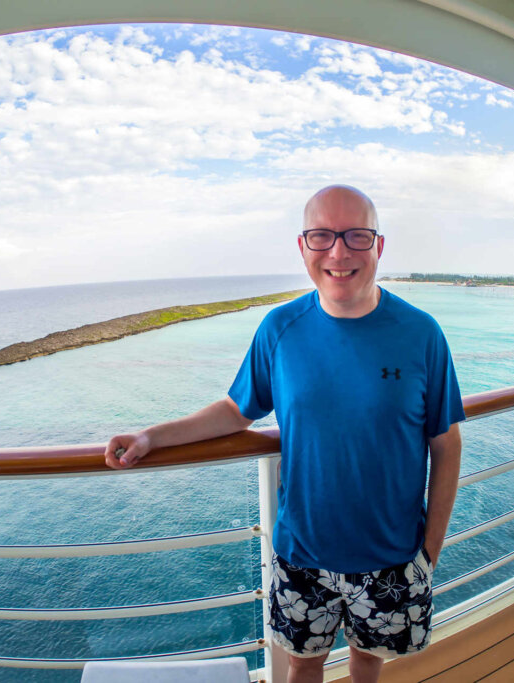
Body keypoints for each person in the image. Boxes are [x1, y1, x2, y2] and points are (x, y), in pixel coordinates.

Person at [104, 185, 465, 683]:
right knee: (302, 665)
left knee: (368, 662)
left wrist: (431, 548)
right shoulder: (280, 329)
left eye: (356, 236)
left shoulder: (421, 333)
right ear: (304, 248)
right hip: (302, 555)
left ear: (378, 247)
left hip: (395, 556)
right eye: (322, 236)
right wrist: (153, 437)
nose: (339, 252)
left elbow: (446, 444)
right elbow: (236, 411)